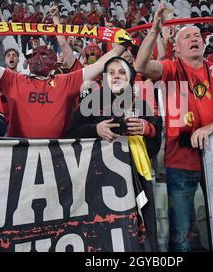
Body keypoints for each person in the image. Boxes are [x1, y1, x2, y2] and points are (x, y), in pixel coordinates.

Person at [135, 3, 213, 252]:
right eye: (186, 36)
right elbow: (141, 66)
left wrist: (211, 127)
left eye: (197, 35)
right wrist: (154, 31)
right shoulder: (170, 68)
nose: (193, 38)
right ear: (176, 48)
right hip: (180, 163)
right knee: (182, 234)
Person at [67, 56, 162, 251]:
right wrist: (95, 129)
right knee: (102, 232)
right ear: (103, 78)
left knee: (141, 232)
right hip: (96, 184)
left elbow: (154, 147)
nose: (116, 77)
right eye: (111, 73)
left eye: (121, 72)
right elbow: (70, 136)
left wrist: (147, 128)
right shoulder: (90, 102)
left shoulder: (141, 105)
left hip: (138, 180)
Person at [0, 33, 129, 139]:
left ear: (54, 61)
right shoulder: (15, 79)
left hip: (55, 155)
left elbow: (101, 64)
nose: (38, 58)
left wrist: (123, 44)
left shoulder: (65, 81)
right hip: (20, 153)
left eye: (44, 54)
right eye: (35, 55)